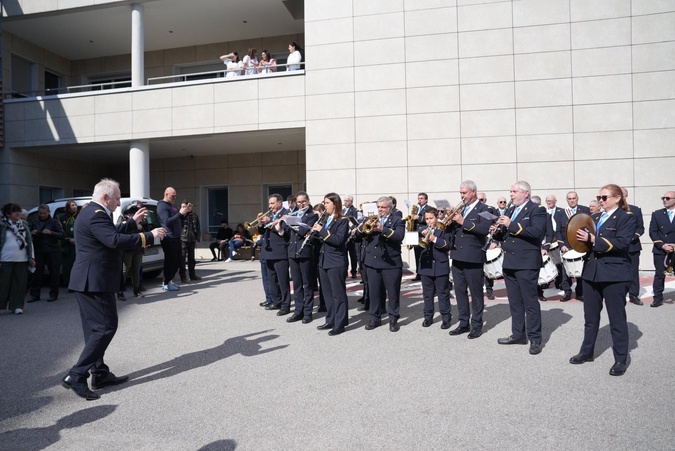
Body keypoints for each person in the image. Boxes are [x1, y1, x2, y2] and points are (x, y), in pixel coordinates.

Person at [61, 178, 165, 400]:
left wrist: (131, 223)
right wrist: (149, 236)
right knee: (105, 328)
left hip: (90, 280)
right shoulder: (96, 214)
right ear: (106, 197)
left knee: (94, 330)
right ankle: (76, 375)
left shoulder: (92, 212)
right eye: (117, 198)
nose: (118, 203)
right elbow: (114, 240)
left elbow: (108, 233)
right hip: (94, 281)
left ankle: (99, 373)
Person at [569, 184, 637, 376]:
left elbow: (622, 243)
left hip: (615, 274)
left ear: (617, 198)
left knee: (616, 319)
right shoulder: (596, 217)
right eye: (599, 197)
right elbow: (585, 242)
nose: (601, 200)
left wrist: (592, 240)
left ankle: (621, 358)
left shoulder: (626, 218)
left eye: (605, 197)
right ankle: (586, 351)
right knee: (590, 318)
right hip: (592, 272)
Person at [492, 181, 547, 355]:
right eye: (510, 191)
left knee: (530, 302)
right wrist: (497, 231)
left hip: (526, 263)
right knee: (515, 302)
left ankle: (535, 338)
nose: (511, 194)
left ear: (526, 193)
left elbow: (537, 233)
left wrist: (511, 225)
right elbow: (505, 234)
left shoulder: (537, 210)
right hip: (510, 262)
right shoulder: (510, 210)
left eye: (514, 191)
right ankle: (518, 334)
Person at [447, 181, 491, 338]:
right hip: (457, 255)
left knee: (476, 292)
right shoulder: (461, 209)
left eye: (464, 193)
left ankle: (477, 324)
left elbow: (484, 229)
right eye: (461, 193)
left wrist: (462, 221)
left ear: (473, 192)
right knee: (459, 291)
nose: (462, 196)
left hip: (473, 257)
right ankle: (463, 322)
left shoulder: (485, 209)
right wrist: (448, 220)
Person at [356, 196, 405, 332]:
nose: (380, 210)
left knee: (393, 292)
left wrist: (383, 229)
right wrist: (361, 228)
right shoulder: (370, 220)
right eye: (378, 207)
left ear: (390, 208)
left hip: (391, 263)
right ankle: (374, 318)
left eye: (383, 207)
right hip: (372, 262)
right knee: (374, 292)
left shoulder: (398, 220)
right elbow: (359, 237)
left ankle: (393, 318)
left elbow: (399, 236)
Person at [313, 193, 350, 335]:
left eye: (327, 203)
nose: (325, 205)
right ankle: (330, 319)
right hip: (323, 260)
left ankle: (340, 323)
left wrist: (321, 231)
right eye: (324, 202)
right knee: (327, 294)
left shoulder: (342, 220)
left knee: (338, 294)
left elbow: (338, 240)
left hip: (336, 261)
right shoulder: (326, 219)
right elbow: (322, 238)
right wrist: (312, 234)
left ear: (335, 204)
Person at [284, 192, 318, 323]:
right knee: (296, 284)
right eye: (299, 202)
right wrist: (283, 223)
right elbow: (286, 233)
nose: (301, 204)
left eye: (303, 201)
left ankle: (308, 312)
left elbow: (303, 231)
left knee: (307, 283)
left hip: (305, 252)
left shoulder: (312, 215)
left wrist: (291, 223)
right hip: (292, 252)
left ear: (308, 201)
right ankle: (298, 311)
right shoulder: (293, 214)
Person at [417, 207, 452, 329]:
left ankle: (446, 318)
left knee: (443, 293)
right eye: (426, 219)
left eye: (431, 218)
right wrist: (421, 235)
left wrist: (434, 239)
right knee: (427, 294)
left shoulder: (444, 230)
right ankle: (428, 317)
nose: (429, 221)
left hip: (440, 265)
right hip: (426, 265)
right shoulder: (422, 229)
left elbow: (447, 245)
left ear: (437, 217)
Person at [259, 194, 291, 315]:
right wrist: (262, 223)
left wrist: (270, 221)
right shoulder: (272, 215)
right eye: (269, 204)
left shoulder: (286, 214)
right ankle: (276, 301)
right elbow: (263, 231)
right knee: (272, 279)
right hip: (269, 252)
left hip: (280, 252)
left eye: (272, 203)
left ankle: (286, 304)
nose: (270, 206)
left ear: (280, 203)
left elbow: (284, 231)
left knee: (283, 280)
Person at [0, 203, 35, 315]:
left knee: (19, 284)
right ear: (7, 214)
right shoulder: (1, 225)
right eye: (15, 211)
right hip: (5, 259)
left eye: (19, 211)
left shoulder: (24, 225)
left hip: (21, 259)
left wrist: (31, 257)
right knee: (3, 284)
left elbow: (29, 242)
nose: (18, 213)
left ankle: (17, 306)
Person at [29, 204, 65, 303]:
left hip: (53, 250)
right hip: (39, 250)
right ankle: (35, 295)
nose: (42, 215)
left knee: (54, 273)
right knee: (36, 274)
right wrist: (32, 232)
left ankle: (53, 293)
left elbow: (62, 235)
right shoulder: (35, 222)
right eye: (40, 213)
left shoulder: (54, 222)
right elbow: (27, 233)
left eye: (44, 213)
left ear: (48, 212)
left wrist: (51, 233)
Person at [157, 187, 189, 292]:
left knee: (178, 261)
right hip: (169, 237)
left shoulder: (173, 206)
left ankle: (169, 280)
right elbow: (167, 221)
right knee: (170, 261)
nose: (174, 197)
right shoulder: (162, 206)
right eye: (172, 196)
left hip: (176, 237)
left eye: (175, 195)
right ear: (166, 194)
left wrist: (184, 213)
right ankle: (165, 283)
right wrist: (180, 213)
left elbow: (178, 219)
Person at [649, 190, 675, 308]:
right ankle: (657, 298)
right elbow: (653, 232)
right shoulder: (657, 214)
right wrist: (662, 245)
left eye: (668, 198)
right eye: (663, 198)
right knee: (659, 275)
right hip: (661, 250)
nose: (664, 200)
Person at [116, 205, 146, 300]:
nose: (131, 215)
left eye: (133, 213)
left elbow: (147, 231)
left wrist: (141, 228)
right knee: (124, 271)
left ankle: (136, 290)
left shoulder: (142, 221)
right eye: (130, 213)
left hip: (138, 248)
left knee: (136, 270)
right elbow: (120, 233)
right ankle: (120, 291)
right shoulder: (123, 221)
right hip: (128, 249)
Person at [622, 187, 645, 305]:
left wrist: (632, 237)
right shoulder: (612, 210)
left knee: (633, 271)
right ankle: (619, 293)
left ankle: (633, 295)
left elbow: (640, 228)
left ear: (626, 196)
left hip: (632, 246)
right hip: (617, 247)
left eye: (621, 194)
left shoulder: (635, 210)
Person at [179, 200, 201, 283]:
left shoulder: (194, 216)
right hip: (183, 238)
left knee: (191, 258)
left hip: (192, 239)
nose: (187, 208)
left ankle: (192, 275)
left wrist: (197, 238)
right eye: (184, 207)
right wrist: (183, 212)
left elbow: (198, 227)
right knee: (182, 258)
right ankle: (183, 276)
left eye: (188, 206)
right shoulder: (181, 215)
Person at [59, 200, 78, 287]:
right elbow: (60, 231)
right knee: (67, 265)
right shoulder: (63, 218)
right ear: (68, 207)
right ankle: (69, 283)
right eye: (72, 205)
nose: (74, 207)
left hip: (78, 245)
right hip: (67, 245)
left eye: (75, 205)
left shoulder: (79, 216)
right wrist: (68, 239)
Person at [412, 192, 429, 281]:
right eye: (419, 198)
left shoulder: (429, 208)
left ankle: (423, 273)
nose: (420, 200)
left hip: (422, 234)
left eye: (422, 198)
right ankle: (418, 273)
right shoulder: (417, 209)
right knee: (416, 254)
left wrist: (418, 218)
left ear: (426, 200)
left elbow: (428, 219)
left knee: (423, 254)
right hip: (415, 234)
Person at [342, 195, 359, 278]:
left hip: (351, 234)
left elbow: (355, 220)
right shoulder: (342, 210)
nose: (345, 202)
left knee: (353, 255)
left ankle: (354, 271)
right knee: (344, 254)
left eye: (347, 201)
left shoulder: (354, 210)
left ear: (351, 202)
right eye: (344, 200)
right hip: (344, 234)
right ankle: (345, 271)